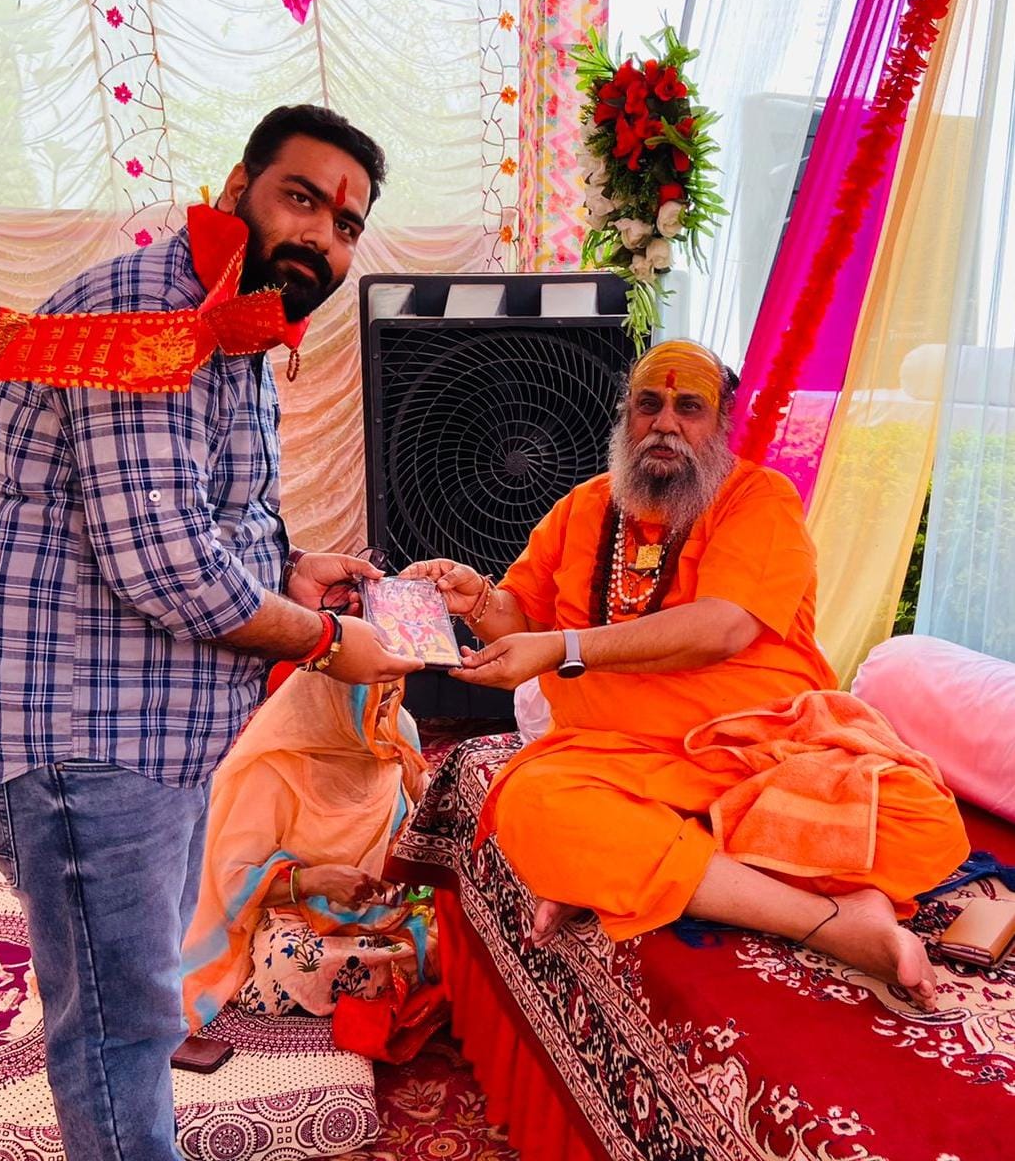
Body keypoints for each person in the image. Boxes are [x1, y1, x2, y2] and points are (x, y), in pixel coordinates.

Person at [0, 105, 421, 1161]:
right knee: (118, 1025)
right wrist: (328, 643)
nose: (322, 237)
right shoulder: (151, 317)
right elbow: (164, 564)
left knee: (134, 994)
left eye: (346, 225)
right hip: (77, 736)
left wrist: (290, 570)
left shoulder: (232, 324)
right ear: (238, 187)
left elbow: (197, 522)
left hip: (136, 731)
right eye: (302, 198)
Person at [405, 339, 969, 1014]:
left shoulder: (757, 499)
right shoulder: (583, 508)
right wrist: (477, 601)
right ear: (626, 417)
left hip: (760, 752)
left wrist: (564, 647)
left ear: (721, 424)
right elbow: (519, 617)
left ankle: (637, 864)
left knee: (916, 818)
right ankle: (831, 919)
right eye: (649, 405)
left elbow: (721, 626)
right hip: (620, 757)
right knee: (537, 805)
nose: (665, 424)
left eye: (689, 407)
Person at [180, 667, 438, 1031]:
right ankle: (397, 969)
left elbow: (425, 812)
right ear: (332, 701)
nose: (387, 711)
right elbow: (230, 883)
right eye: (374, 701)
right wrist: (315, 881)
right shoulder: (273, 770)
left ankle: (397, 963)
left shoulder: (393, 734)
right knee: (288, 963)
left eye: (393, 696)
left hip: (392, 904)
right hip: (301, 916)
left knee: (459, 929)